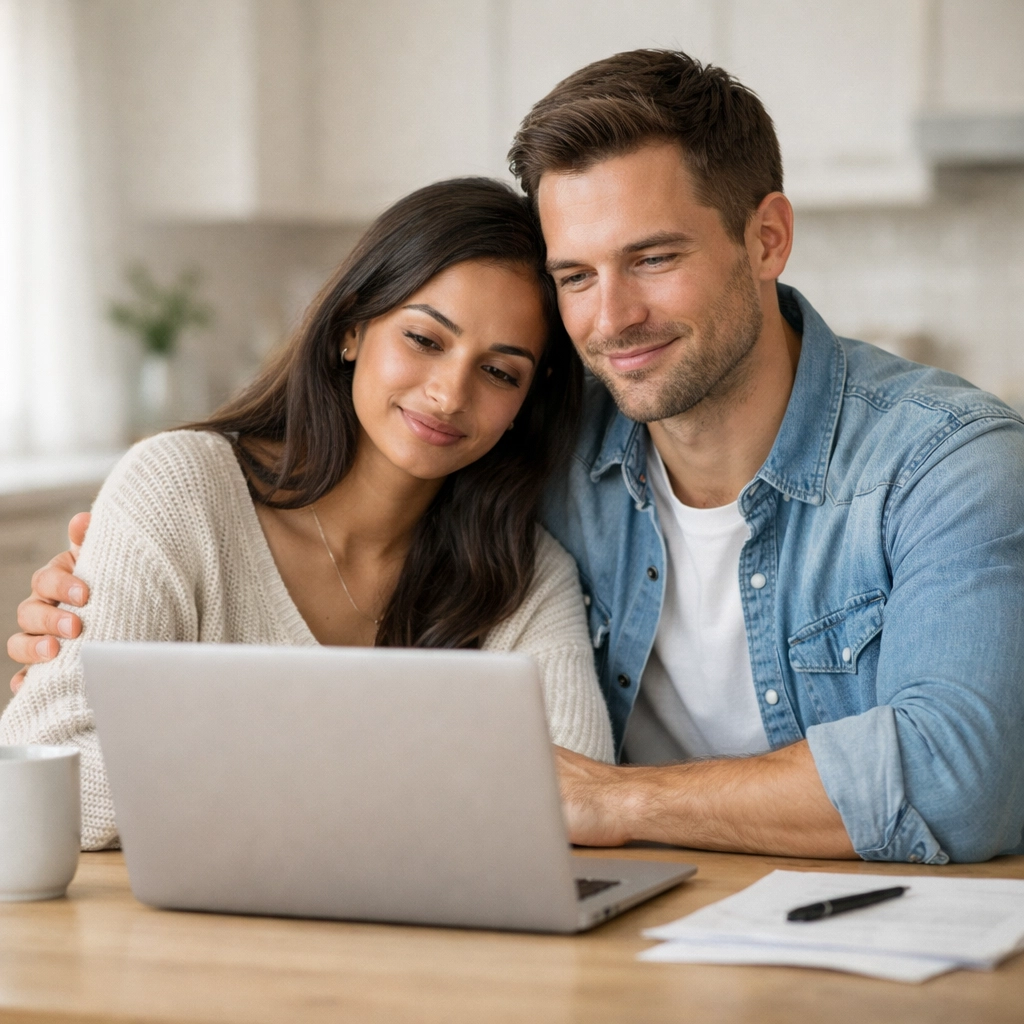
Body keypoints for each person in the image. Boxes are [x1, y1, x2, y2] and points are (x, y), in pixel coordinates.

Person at [12, 51, 1024, 864]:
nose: (613, 317)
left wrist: (610, 799)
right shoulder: (544, 455)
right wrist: (93, 601)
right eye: (575, 274)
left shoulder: (947, 465)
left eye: (654, 258)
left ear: (766, 239)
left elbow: (957, 777)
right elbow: (54, 762)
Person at [0, 177, 615, 850]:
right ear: (352, 327)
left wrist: (186, 764)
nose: (447, 394)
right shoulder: (180, 489)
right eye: (424, 339)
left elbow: (573, 799)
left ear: (526, 403)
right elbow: (56, 778)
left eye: (500, 373)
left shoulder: (525, 575)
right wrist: (424, 781)